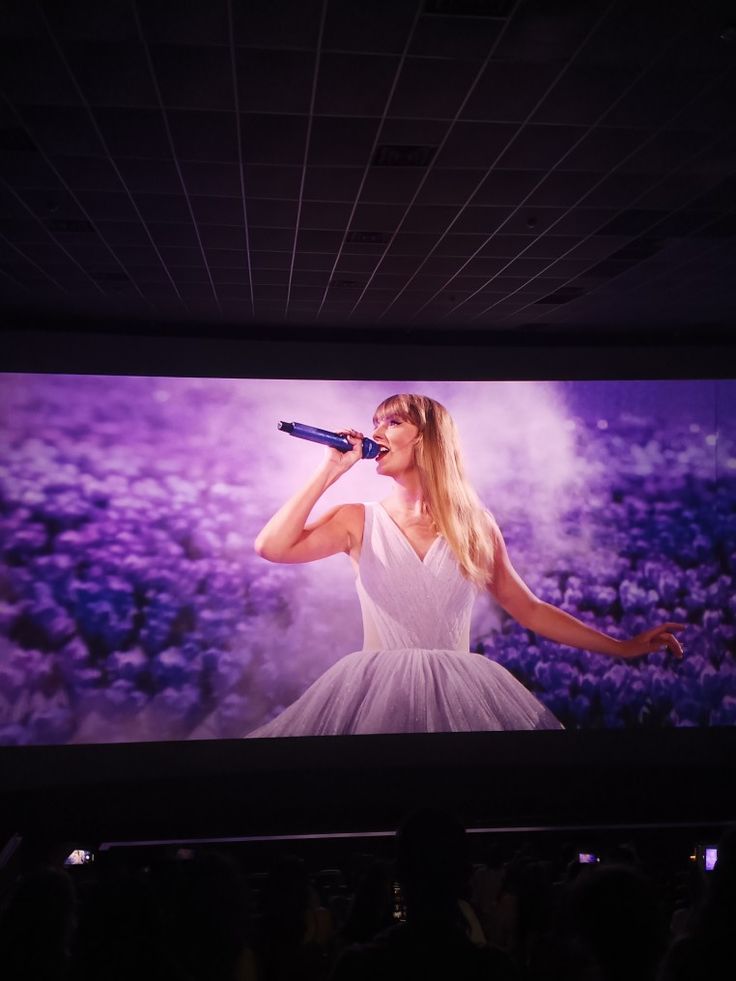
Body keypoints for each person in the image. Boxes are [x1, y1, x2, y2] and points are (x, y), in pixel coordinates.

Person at [248, 394, 684, 737]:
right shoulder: (356, 519)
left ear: (428, 438)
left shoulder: (475, 527)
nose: (374, 432)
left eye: (392, 422)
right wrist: (329, 470)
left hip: (463, 688)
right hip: (374, 686)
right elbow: (272, 547)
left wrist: (624, 647)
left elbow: (529, 609)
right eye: (375, 421)